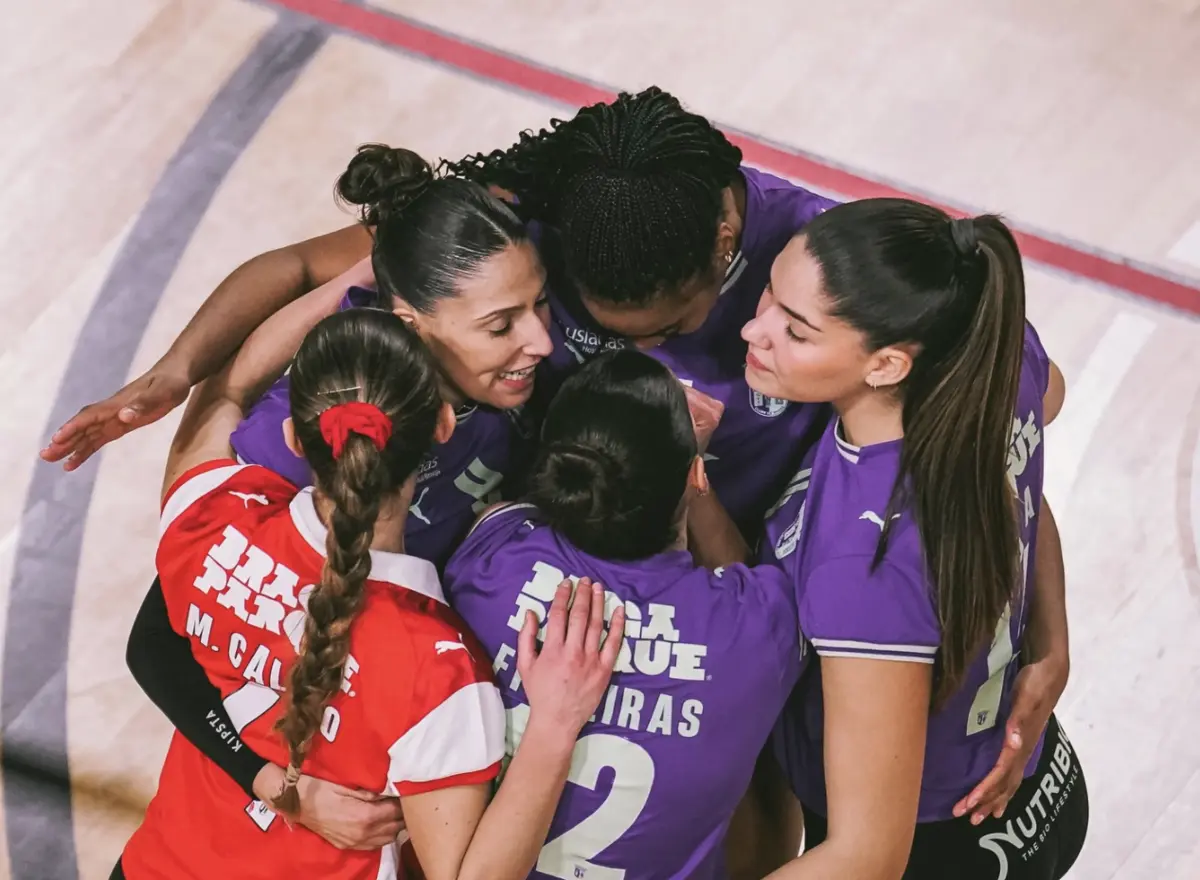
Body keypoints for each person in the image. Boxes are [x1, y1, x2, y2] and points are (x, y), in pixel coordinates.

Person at [43, 86, 836, 537]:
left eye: (668, 329)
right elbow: (301, 268)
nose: (541, 339)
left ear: (725, 242)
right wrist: (178, 376)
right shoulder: (531, 221)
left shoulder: (827, 255)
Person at [118, 306, 624, 880]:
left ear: (294, 437)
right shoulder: (438, 668)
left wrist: (351, 271)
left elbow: (227, 385)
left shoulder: (209, 514)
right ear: (442, 425)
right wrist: (554, 730)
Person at [719, 198, 1085, 879]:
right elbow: (1022, 494)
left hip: (943, 846)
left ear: (887, 365)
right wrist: (1053, 644)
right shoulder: (993, 357)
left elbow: (863, 858)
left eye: (796, 332)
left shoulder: (866, 568)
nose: (753, 328)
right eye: (769, 294)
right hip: (1037, 783)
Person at [443, 349, 803, 879]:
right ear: (695, 477)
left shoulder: (490, 558)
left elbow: (513, 514)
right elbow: (746, 583)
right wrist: (694, 478)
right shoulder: (754, 627)